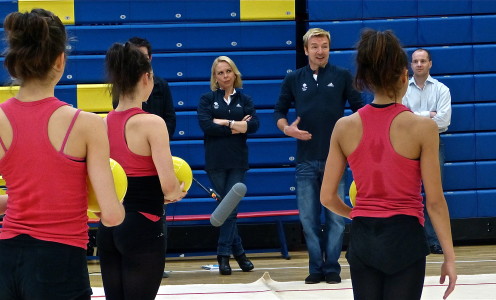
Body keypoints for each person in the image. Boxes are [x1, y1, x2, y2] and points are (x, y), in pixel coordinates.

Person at [320, 29, 457, 299]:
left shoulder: (344, 127)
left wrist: (358, 214)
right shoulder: (423, 128)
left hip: (363, 238)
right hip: (405, 236)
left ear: (366, 79)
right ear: (404, 75)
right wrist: (449, 257)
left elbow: (327, 197)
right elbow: (435, 202)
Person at [0, 9, 125, 300]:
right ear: (60, 60)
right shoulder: (88, 124)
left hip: (6, 260)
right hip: (59, 262)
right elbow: (111, 215)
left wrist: (18, 200)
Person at [96, 42, 186, 299]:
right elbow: (169, 187)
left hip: (109, 226)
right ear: (146, 78)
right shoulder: (152, 123)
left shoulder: (101, 123)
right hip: (143, 224)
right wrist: (177, 192)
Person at [273, 28, 363, 284]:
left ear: (329, 49)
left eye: (324, 46)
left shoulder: (342, 76)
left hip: (336, 159)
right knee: (308, 218)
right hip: (305, 160)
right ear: (306, 50)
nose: (320, 51)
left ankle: (332, 267)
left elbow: (359, 109)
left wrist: (350, 133)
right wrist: (287, 128)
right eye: (315, 46)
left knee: (336, 218)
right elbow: (278, 111)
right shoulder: (293, 79)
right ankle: (316, 267)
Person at [197, 56, 259, 275]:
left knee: (229, 209)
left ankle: (223, 255)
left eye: (228, 71)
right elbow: (206, 126)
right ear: (215, 77)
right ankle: (239, 255)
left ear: (235, 73)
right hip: (215, 161)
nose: (224, 76)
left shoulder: (245, 98)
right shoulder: (207, 99)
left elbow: (254, 125)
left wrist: (224, 122)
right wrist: (237, 126)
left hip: (238, 162)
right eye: (220, 73)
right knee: (228, 208)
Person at [126, 36, 177, 278]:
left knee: (158, 210)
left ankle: (157, 260)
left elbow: (170, 120)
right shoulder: (122, 92)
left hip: (158, 153)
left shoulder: (162, 86)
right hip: (133, 158)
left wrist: (157, 144)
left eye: (143, 57)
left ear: (150, 59)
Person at [402, 48, 452, 255]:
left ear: (430, 63)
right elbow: (401, 119)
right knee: (407, 193)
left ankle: (434, 240)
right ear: (411, 65)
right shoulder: (402, 90)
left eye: (423, 61)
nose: (419, 64)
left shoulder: (442, 89)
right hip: (406, 144)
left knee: (434, 194)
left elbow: (444, 120)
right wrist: (428, 115)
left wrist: (416, 116)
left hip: (433, 144)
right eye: (415, 61)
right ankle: (412, 239)